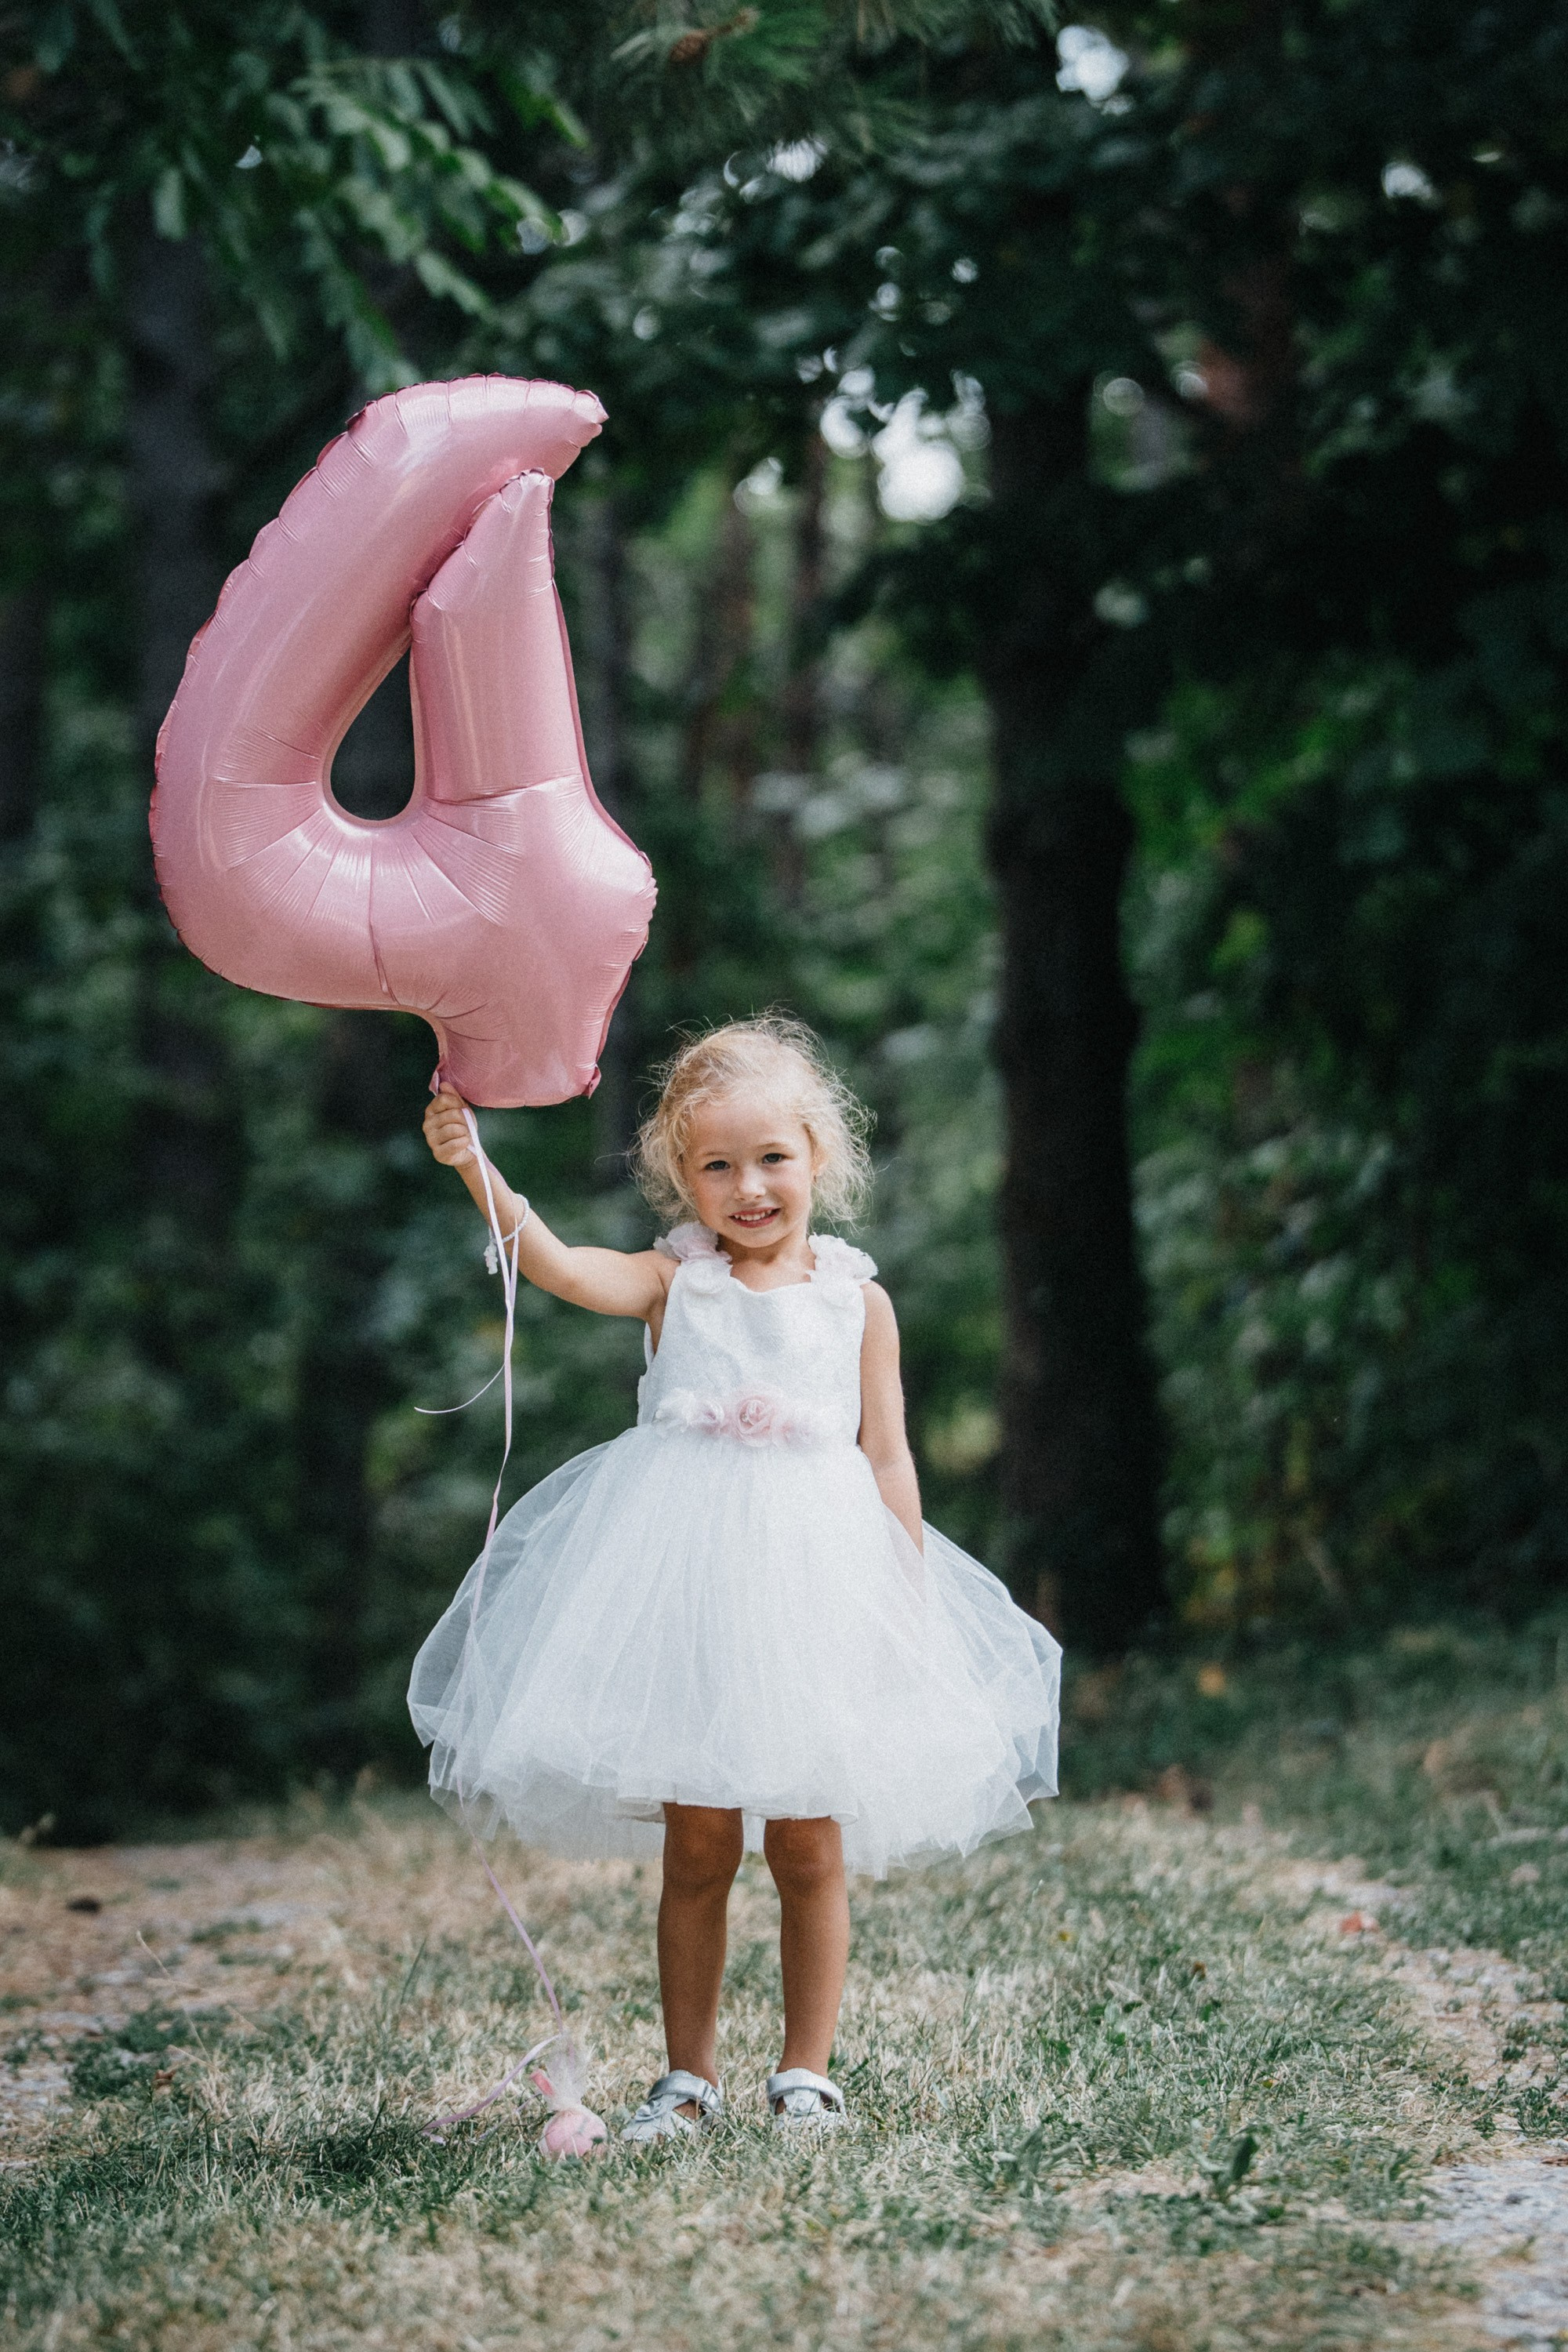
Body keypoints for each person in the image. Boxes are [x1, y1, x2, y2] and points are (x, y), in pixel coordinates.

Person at [409, 1014, 1060, 2139]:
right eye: (717, 1165)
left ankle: (806, 2069)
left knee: (809, 1839)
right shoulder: (677, 1283)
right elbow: (561, 1269)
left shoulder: (858, 1302)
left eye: (772, 1158)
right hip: (690, 1589)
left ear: (818, 1155)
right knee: (699, 1839)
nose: (749, 1186)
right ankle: (688, 2078)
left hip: (818, 1588)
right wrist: (479, 1165)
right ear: (683, 1179)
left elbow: (889, 1454)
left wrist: (902, 1597)